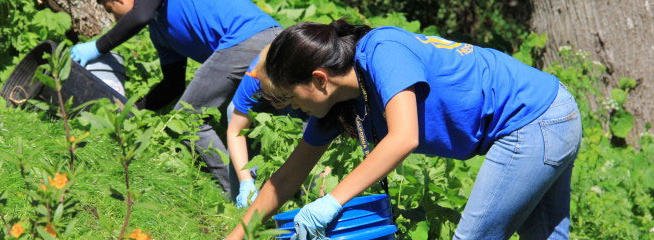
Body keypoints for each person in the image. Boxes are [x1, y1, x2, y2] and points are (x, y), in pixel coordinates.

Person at [226, 19, 582, 240]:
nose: (291, 107)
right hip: (547, 114)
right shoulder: (341, 104)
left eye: (290, 96)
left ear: (319, 79)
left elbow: (404, 137)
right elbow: (288, 177)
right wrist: (238, 235)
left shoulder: (383, 51)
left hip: (533, 119)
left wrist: (331, 202)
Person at [69, 0, 282, 198]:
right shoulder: (160, 30)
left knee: (188, 117)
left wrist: (97, 47)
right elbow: (173, 85)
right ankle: (263, 193)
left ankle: (231, 192)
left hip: (247, 38)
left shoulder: (149, 11)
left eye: (109, 9)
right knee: (249, 123)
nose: (114, 19)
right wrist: (131, 111)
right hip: (273, 41)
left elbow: (139, 15)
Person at [225, 46, 307, 208]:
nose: (273, 103)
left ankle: (306, 197)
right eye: (267, 96)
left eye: (276, 99)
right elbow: (235, 131)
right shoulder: (254, 77)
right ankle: (243, 198)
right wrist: (245, 182)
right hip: (281, 90)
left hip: (298, 92)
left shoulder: (308, 78)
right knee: (232, 111)